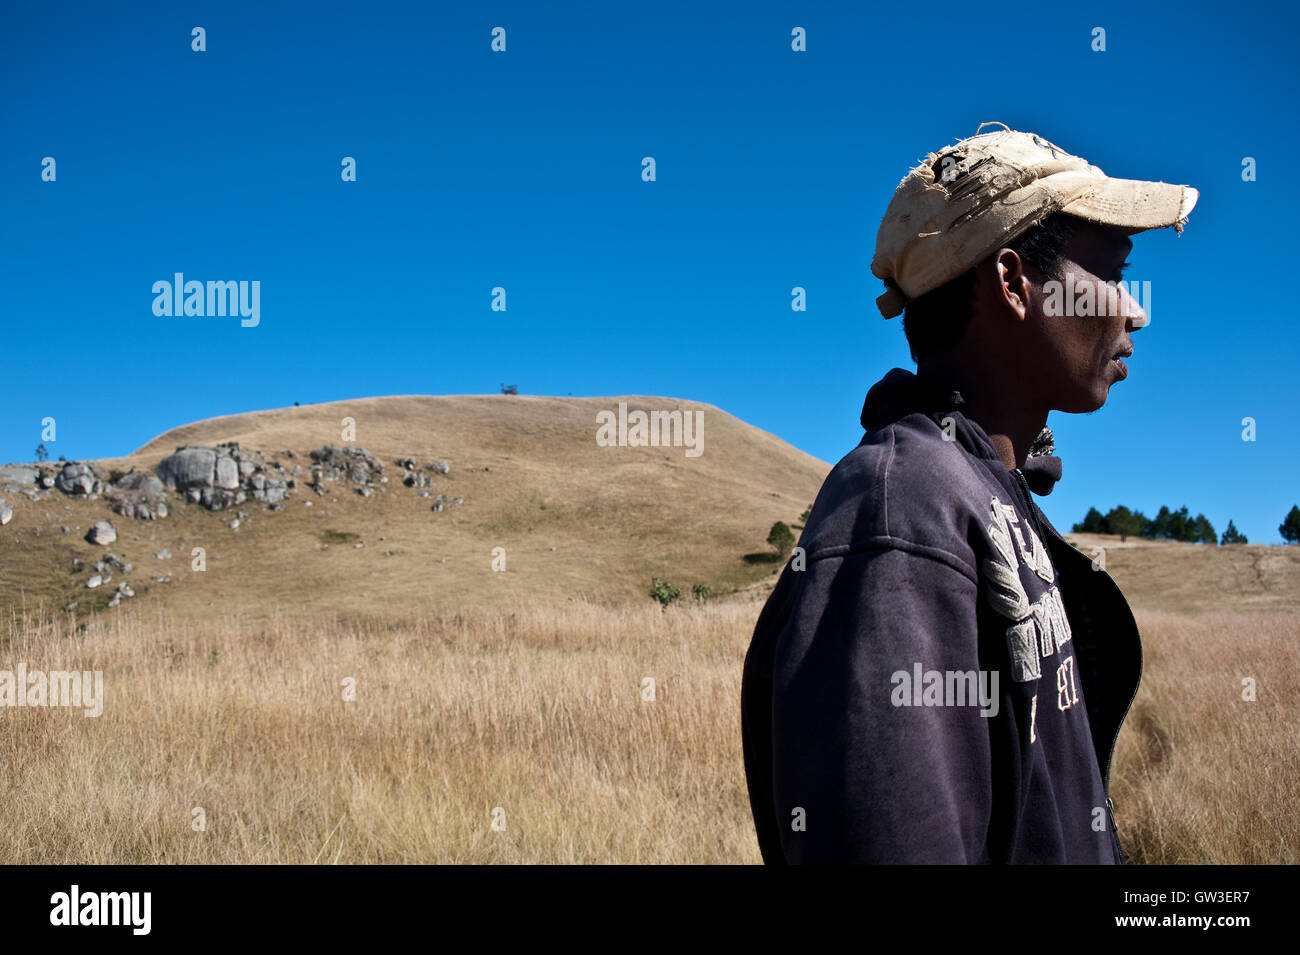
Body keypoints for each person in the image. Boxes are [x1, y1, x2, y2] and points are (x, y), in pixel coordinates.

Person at [740, 124, 1197, 864]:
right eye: (1112, 274)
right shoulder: (899, 519)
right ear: (1015, 283)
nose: (1132, 308)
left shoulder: (978, 494)